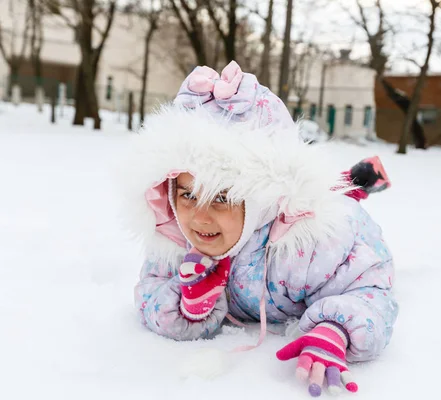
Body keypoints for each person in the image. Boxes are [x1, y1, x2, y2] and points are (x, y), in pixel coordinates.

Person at [121, 61, 397, 397]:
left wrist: (335, 329)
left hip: (308, 213)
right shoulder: (175, 239)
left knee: (330, 196)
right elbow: (150, 290)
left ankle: (357, 182)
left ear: (261, 200)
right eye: (188, 195)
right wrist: (185, 306)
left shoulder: (319, 242)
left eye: (221, 198)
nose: (199, 218)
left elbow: (368, 286)